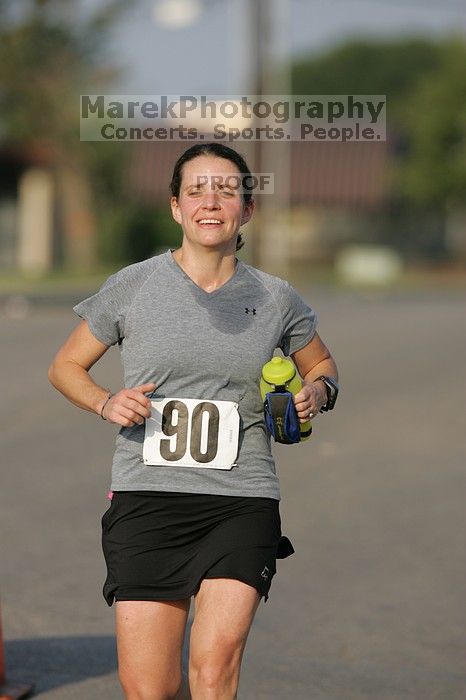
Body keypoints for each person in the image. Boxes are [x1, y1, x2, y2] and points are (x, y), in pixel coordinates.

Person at [48, 142, 338, 700]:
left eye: (226, 191)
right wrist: (106, 402)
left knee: (213, 670)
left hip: (242, 499)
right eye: (196, 190)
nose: (211, 201)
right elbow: (65, 366)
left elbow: (321, 364)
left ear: (247, 210)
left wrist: (317, 392)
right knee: (150, 689)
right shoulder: (134, 285)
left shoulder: (277, 298)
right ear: (176, 207)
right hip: (148, 498)